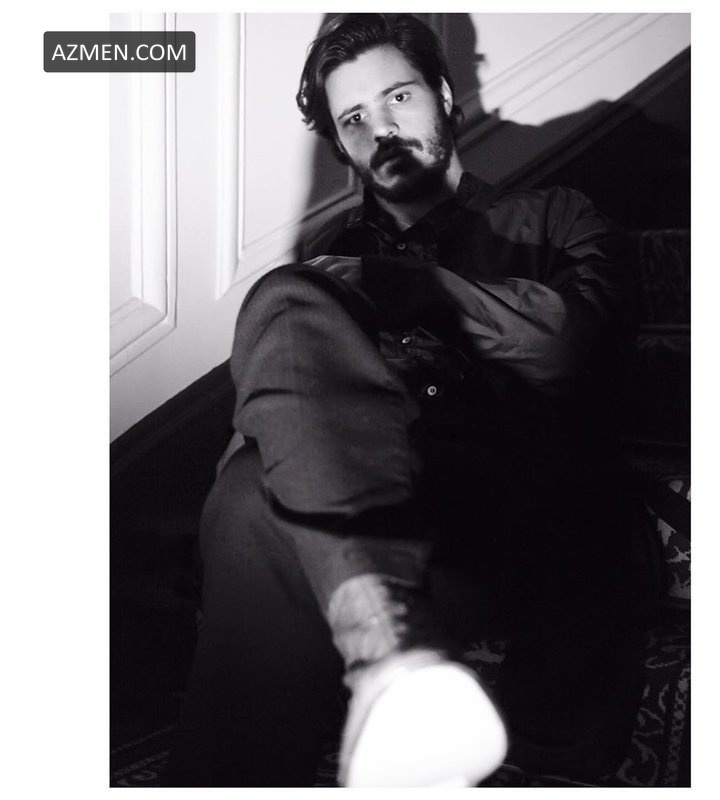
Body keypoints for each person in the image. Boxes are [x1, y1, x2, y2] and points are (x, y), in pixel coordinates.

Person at [163, 13, 657, 788]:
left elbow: (571, 348)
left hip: (531, 518)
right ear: (340, 145)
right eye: (354, 119)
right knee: (249, 492)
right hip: (386, 518)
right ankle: (388, 660)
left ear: (445, 95)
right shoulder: (326, 265)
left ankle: (383, 663)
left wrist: (402, 287)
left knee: (284, 362)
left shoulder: (557, 216)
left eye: (397, 97)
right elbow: (279, 422)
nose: (382, 130)